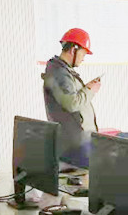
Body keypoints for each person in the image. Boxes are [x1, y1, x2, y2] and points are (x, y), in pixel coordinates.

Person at [42, 28, 100, 167]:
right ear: (74, 50)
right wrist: (90, 90)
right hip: (77, 144)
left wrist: (86, 88)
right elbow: (71, 103)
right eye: (83, 53)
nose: (83, 58)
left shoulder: (60, 70)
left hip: (74, 141)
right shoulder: (60, 73)